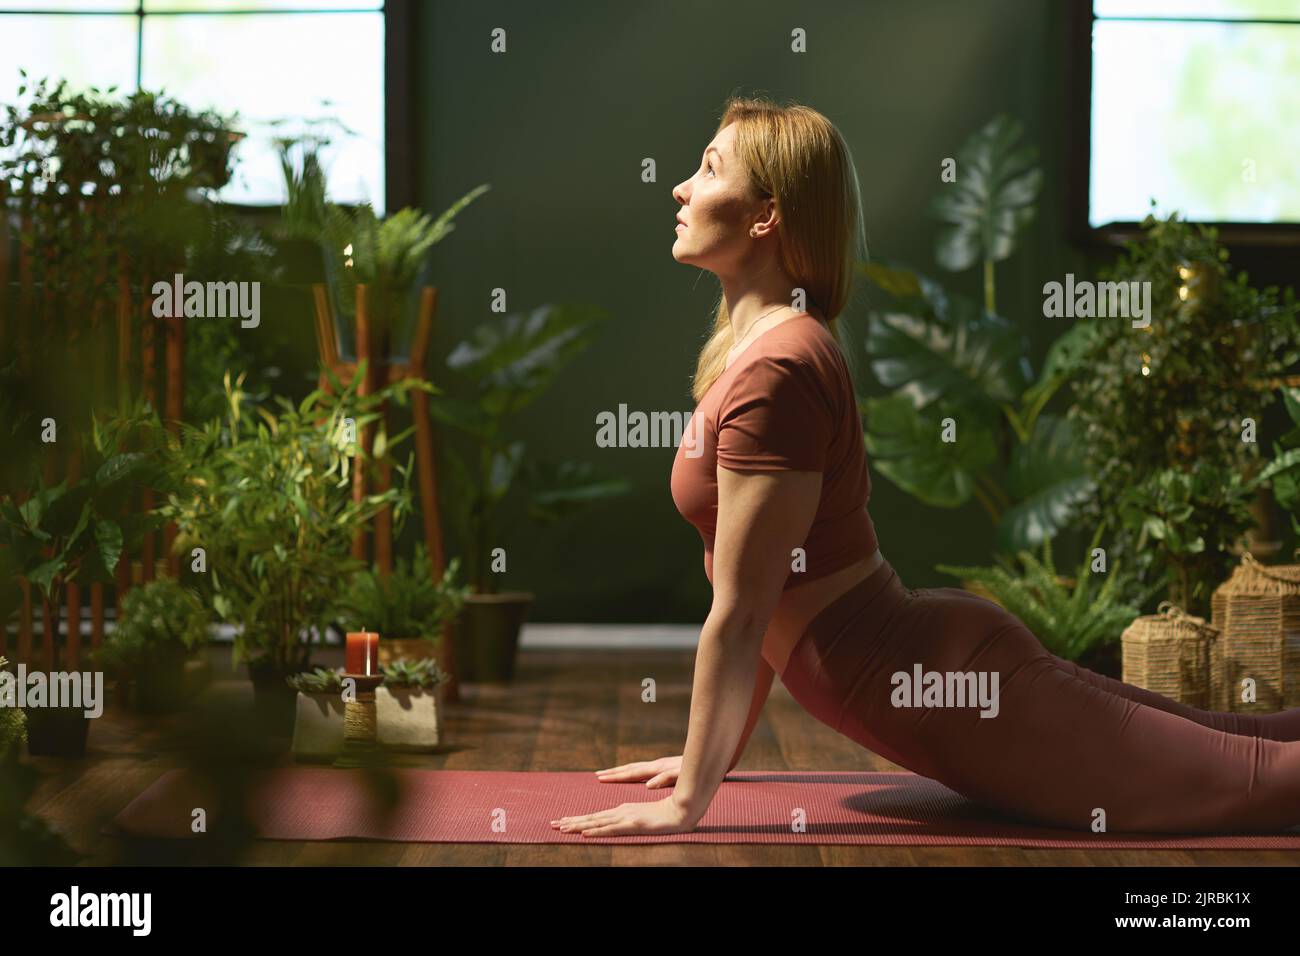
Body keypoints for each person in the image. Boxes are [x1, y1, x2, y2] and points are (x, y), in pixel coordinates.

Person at [550, 96, 1300, 838]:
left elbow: (742, 616)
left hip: (956, 694)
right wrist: (702, 759)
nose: (681, 188)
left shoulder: (777, 369)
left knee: (1263, 781)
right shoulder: (759, 354)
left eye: (709, 169)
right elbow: (755, 605)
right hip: (943, 676)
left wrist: (688, 807)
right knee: (1253, 743)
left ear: (765, 215)